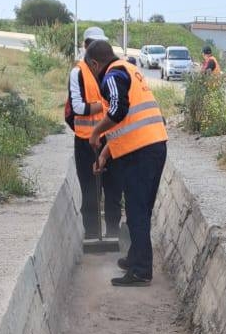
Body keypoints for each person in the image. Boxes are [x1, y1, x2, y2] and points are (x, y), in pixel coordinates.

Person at [85, 40, 168, 287]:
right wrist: (104, 154)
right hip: (153, 145)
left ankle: (141, 270)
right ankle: (135, 258)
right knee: (140, 210)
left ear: (95, 64)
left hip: (141, 153)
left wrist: (95, 132)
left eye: (90, 69)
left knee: (136, 212)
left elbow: (118, 111)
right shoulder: (129, 70)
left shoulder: (112, 76)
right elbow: (127, 124)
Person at [67, 27, 123, 239]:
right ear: (85, 46)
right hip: (86, 142)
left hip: (111, 139)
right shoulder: (78, 73)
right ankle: (91, 236)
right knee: (90, 192)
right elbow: (78, 108)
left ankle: (113, 234)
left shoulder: (112, 71)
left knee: (113, 190)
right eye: (93, 44)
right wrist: (106, 105)